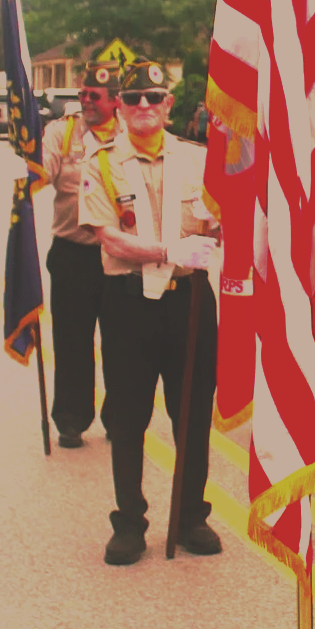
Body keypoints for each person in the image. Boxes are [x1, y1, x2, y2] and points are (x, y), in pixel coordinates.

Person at [84, 56, 222, 566]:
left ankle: (190, 517)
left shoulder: (199, 160)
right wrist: (168, 251)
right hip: (128, 303)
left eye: (154, 98)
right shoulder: (100, 163)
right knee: (127, 416)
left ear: (168, 106)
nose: (144, 105)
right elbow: (109, 237)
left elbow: (220, 221)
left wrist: (218, 231)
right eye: (133, 98)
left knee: (192, 414)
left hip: (188, 300)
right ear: (119, 107)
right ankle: (129, 522)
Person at [41, 63, 122, 451]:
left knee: (122, 342)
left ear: (115, 101)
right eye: (83, 94)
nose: (87, 101)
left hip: (119, 256)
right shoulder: (62, 132)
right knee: (72, 342)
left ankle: (120, 417)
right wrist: (28, 170)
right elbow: (43, 172)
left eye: (95, 96)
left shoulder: (130, 135)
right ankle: (71, 419)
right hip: (73, 254)